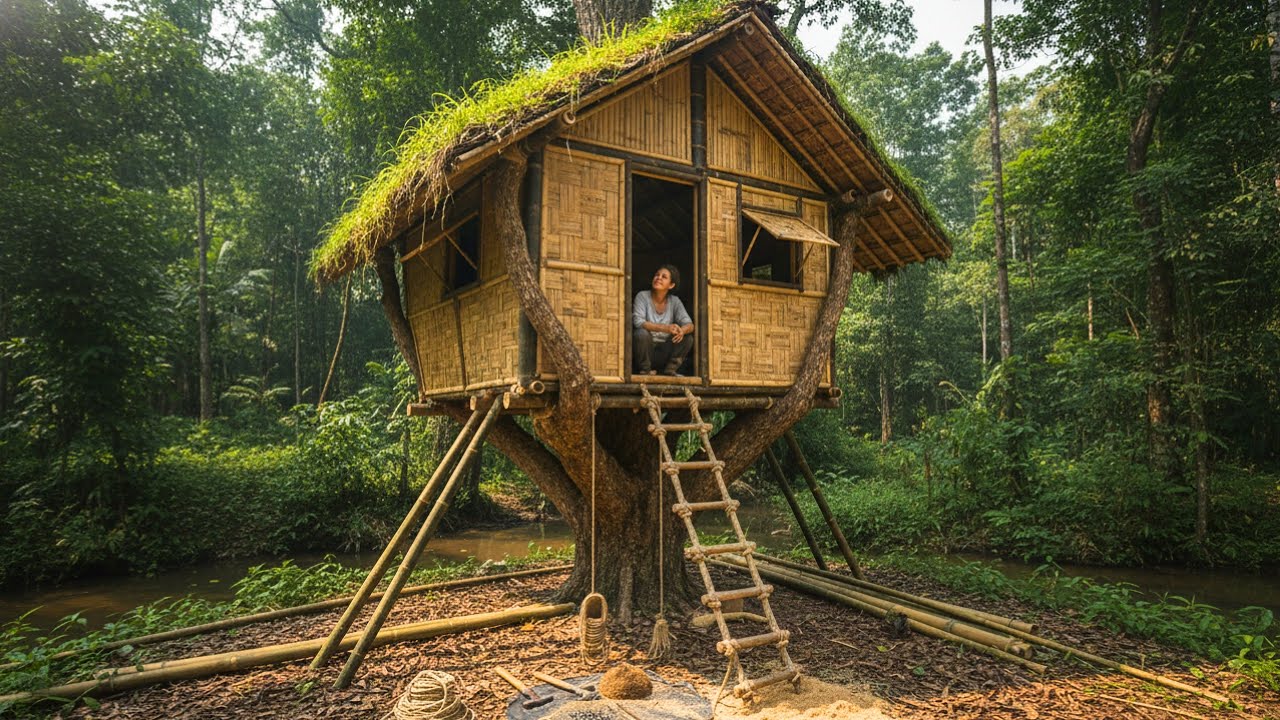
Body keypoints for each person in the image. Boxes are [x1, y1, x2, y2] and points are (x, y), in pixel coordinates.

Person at [632, 264, 694, 375]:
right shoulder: (642, 296)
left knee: (687, 338)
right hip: (646, 350)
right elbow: (638, 321)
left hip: (664, 351)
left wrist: (682, 331)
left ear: (671, 285)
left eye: (664, 277)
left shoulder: (674, 301)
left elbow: (689, 324)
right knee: (641, 334)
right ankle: (645, 370)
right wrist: (666, 328)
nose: (658, 278)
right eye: (657, 275)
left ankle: (669, 370)